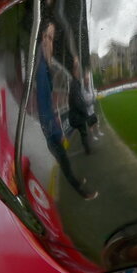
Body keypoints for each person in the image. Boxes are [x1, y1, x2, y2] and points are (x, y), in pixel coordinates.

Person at [35, 21, 97, 200]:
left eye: (52, 39)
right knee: (64, 162)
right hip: (50, 131)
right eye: (47, 37)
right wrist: (55, 132)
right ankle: (82, 192)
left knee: (65, 161)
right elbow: (44, 105)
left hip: (51, 128)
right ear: (41, 39)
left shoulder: (45, 66)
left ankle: (78, 183)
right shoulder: (40, 67)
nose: (50, 43)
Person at [67, 57, 93, 155]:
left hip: (75, 116)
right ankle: (87, 150)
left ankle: (87, 148)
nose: (79, 70)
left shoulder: (75, 84)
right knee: (83, 132)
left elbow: (77, 100)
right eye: (77, 68)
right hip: (76, 117)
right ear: (73, 71)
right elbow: (78, 102)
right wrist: (86, 114)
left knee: (84, 132)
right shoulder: (74, 84)